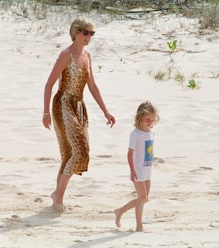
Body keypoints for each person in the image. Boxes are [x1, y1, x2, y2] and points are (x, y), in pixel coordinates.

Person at [42, 17, 115, 211]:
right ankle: (58, 194)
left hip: (79, 106)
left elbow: (92, 86)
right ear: (75, 33)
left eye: (92, 33)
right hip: (63, 104)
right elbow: (49, 84)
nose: (89, 37)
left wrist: (106, 111)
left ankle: (57, 197)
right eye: (85, 33)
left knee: (70, 154)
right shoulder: (66, 55)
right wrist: (45, 112)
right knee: (78, 150)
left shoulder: (88, 56)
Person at [114, 101, 159, 232]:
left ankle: (120, 211)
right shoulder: (135, 134)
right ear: (140, 117)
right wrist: (132, 170)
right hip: (138, 170)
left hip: (148, 169)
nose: (150, 122)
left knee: (144, 198)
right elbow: (129, 154)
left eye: (152, 119)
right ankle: (139, 226)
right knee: (142, 198)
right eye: (147, 119)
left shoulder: (152, 132)